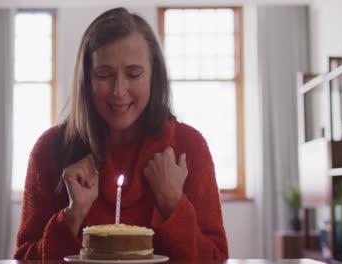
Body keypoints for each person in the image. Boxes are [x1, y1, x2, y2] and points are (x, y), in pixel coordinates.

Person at [14, 7, 228, 261]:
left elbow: (215, 258)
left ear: (153, 76)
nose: (119, 91)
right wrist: (72, 216)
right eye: (104, 75)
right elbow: (25, 258)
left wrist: (173, 204)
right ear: (86, 80)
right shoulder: (50, 148)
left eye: (133, 74)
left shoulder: (188, 147)